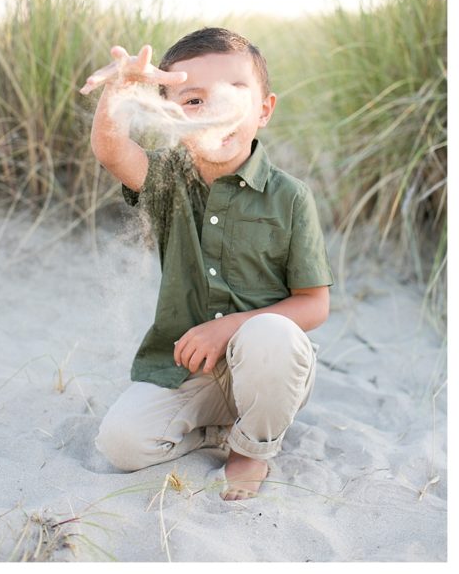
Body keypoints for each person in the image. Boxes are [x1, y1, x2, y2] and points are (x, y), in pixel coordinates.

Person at [80, 27, 333, 501]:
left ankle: (252, 448)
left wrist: (231, 326)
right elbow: (112, 152)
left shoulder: (290, 196)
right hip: (191, 371)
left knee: (269, 335)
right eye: (193, 101)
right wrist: (118, 90)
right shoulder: (167, 179)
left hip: (269, 367)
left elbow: (314, 305)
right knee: (121, 444)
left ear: (263, 110)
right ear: (169, 117)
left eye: (234, 93)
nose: (215, 109)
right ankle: (217, 433)